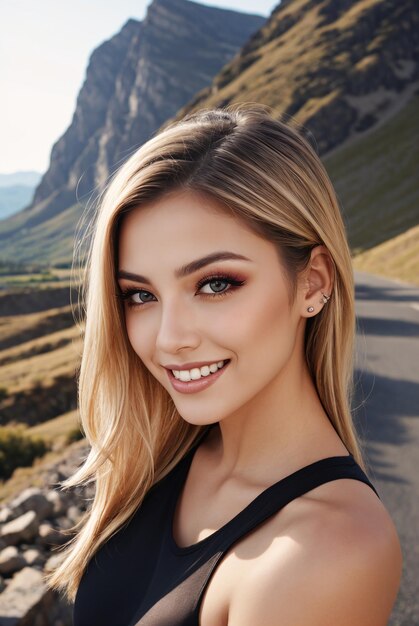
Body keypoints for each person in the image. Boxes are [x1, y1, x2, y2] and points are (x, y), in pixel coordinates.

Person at [45, 104, 402, 625]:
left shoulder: (324, 551)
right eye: (140, 295)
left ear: (314, 282)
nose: (170, 340)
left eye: (215, 284)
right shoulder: (159, 460)